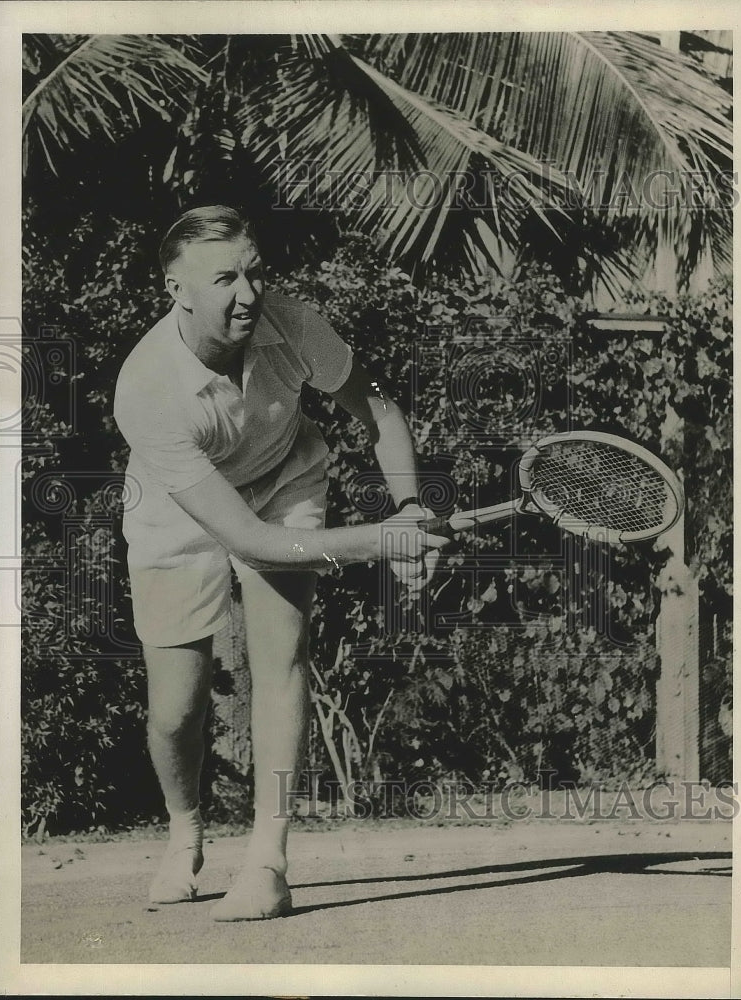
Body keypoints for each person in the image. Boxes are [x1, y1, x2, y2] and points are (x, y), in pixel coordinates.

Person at [113, 205, 447, 921]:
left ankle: (268, 859)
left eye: (255, 271)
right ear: (178, 289)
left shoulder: (294, 325)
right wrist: (379, 540)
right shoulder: (146, 390)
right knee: (175, 711)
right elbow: (249, 542)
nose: (248, 293)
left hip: (283, 481)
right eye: (226, 278)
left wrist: (411, 507)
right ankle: (184, 831)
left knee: (280, 656)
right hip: (177, 507)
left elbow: (379, 412)